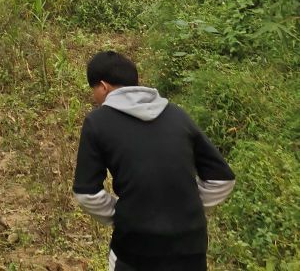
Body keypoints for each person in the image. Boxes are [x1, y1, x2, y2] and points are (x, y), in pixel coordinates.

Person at [72, 50, 235, 271]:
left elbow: (86, 193)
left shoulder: (98, 122)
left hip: (136, 249)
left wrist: (125, 215)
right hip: (191, 247)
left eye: (94, 91)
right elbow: (222, 179)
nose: (95, 98)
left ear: (103, 86)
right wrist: (183, 207)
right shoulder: (178, 115)